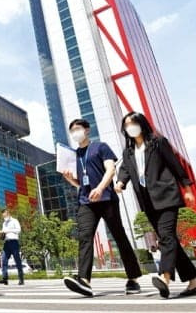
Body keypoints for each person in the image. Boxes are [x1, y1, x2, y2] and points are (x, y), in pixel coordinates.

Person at [115, 111, 196, 298]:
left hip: (166, 195)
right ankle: (193, 282)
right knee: (170, 239)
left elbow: (175, 164)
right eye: (126, 124)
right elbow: (125, 170)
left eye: (133, 123)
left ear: (141, 124)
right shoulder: (128, 151)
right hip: (147, 201)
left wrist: (187, 188)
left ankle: (165, 277)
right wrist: (121, 182)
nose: (130, 127)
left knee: (166, 237)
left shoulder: (157, 142)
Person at [61, 119, 142, 297]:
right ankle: (84, 280)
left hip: (106, 199)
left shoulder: (100, 147)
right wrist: (69, 179)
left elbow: (111, 169)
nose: (75, 132)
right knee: (84, 237)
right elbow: (80, 183)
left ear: (87, 130)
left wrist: (100, 188)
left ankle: (133, 278)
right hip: (86, 201)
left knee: (119, 236)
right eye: (72, 130)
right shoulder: (74, 155)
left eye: (78, 129)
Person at [0, 208, 24, 285]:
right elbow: (4, 234)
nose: (3, 217)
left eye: (4, 215)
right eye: (2, 216)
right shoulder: (4, 223)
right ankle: (5, 278)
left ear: (7, 213)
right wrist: (0, 235)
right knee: (4, 260)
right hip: (6, 243)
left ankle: (21, 279)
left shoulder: (15, 221)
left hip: (14, 242)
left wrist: (7, 230)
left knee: (17, 261)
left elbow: (18, 230)